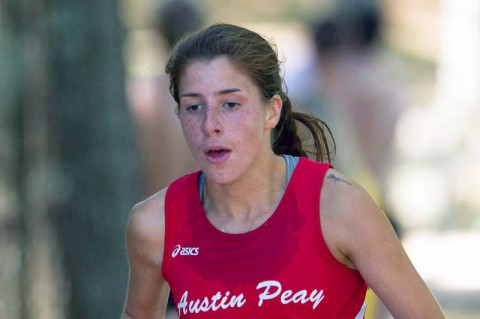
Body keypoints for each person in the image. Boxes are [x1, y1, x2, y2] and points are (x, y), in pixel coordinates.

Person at [121, 23, 445, 318]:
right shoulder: (154, 225)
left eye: (230, 104)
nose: (210, 126)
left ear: (271, 110)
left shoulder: (340, 207)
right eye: (194, 107)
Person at [127, 0, 204, 196]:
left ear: (158, 35)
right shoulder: (222, 99)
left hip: (152, 212)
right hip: (203, 215)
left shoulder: (139, 96)